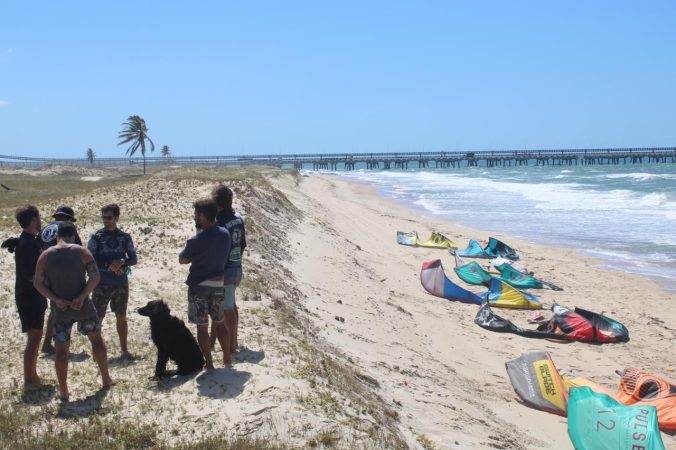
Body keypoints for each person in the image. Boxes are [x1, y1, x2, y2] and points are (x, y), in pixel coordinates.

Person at [33, 222, 113, 401]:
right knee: (97, 341)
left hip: (60, 309)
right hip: (83, 306)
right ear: (74, 235)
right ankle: (106, 378)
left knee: (61, 351)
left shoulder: (45, 256)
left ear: (56, 236)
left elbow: (37, 283)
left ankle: (63, 390)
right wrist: (82, 296)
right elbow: (95, 276)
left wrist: (55, 299)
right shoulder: (82, 252)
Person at [179, 199, 232, 368]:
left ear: (201, 216)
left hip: (199, 285)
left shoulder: (196, 239)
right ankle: (227, 358)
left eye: (196, 214)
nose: (195, 217)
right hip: (218, 283)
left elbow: (183, 259)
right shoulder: (225, 234)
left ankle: (209, 363)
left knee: (202, 327)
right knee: (220, 322)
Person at [88, 204, 137, 359]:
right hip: (101, 284)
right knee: (98, 318)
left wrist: (121, 262)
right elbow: (90, 258)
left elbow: (133, 259)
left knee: (121, 317)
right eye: (103, 217)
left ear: (116, 217)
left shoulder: (125, 237)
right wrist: (108, 265)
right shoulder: (96, 237)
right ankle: (97, 351)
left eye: (109, 217)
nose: (106, 221)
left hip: (120, 283)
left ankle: (124, 350)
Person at [38, 205, 82, 354]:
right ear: (69, 219)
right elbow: (78, 250)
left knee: (54, 307)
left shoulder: (45, 229)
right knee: (58, 308)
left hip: (43, 272)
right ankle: (54, 343)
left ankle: (48, 343)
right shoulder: (66, 229)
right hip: (60, 273)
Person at [13, 205, 48, 389]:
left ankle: (34, 376)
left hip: (34, 296)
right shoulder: (27, 243)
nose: (40, 220)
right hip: (29, 296)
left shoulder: (29, 241)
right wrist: (49, 291)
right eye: (39, 217)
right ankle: (29, 380)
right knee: (34, 337)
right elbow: (30, 275)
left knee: (36, 336)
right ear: (33, 219)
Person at [210, 185, 246, 354]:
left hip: (226, 270)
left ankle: (231, 347)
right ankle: (234, 340)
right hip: (237, 266)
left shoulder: (220, 222)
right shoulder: (238, 218)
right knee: (231, 305)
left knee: (227, 309)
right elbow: (243, 244)